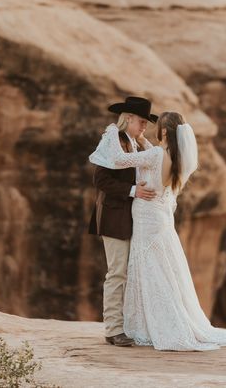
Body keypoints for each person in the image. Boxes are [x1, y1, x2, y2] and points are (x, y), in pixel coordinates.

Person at [89, 111, 226, 351]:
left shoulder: (155, 154)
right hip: (160, 219)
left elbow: (116, 159)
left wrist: (112, 131)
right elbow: (145, 158)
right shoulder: (175, 158)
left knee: (148, 271)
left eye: (152, 125)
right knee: (161, 271)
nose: (147, 127)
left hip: (147, 220)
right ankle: (148, 324)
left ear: (164, 132)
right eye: (142, 122)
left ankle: (144, 325)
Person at [88, 96, 158, 347]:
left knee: (131, 273)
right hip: (114, 215)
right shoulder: (113, 141)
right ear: (127, 118)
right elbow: (101, 181)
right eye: (141, 122)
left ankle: (127, 326)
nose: (144, 127)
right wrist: (133, 191)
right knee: (117, 272)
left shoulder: (136, 145)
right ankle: (113, 329)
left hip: (133, 218)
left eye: (146, 123)